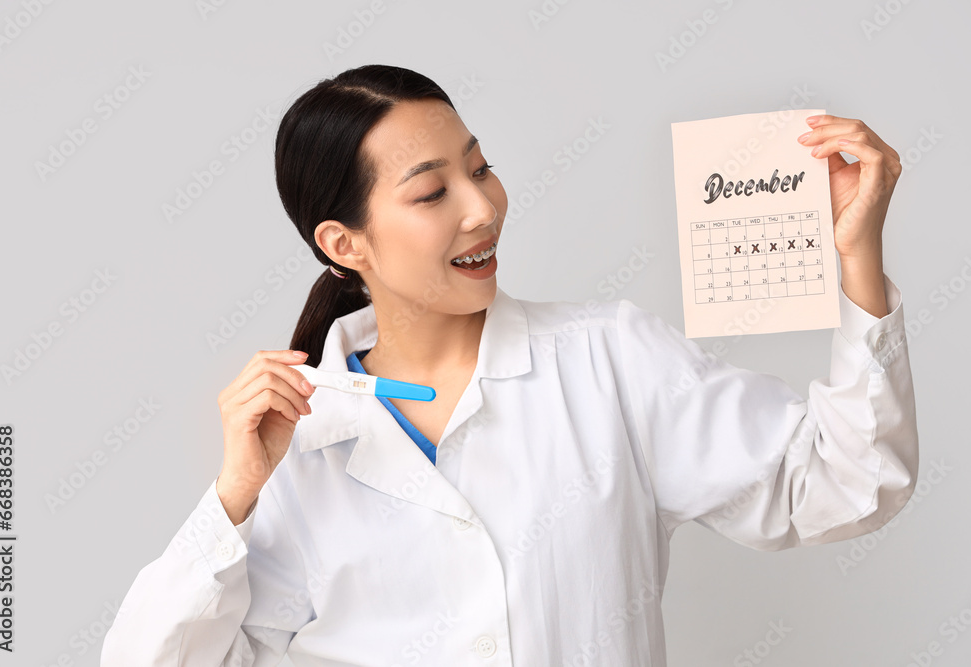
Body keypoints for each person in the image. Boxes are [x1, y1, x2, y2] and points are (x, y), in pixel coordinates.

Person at [101, 64, 918, 666]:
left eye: (480, 166)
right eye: (431, 193)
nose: (484, 206)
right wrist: (233, 495)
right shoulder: (297, 442)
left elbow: (844, 483)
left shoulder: (609, 360)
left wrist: (857, 263)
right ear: (344, 243)